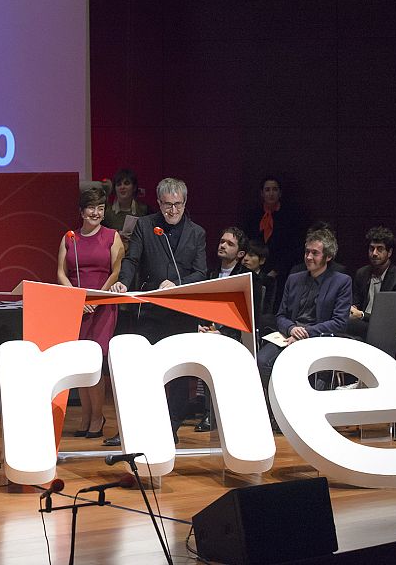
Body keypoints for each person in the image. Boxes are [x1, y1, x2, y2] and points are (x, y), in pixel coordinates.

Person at [109, 178, 207, 444]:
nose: (172, 211)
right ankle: (134, 428)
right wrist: (123, 282)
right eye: (167, 205)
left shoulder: (196, 233)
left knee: (176, 374)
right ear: (159, 203)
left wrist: (177, 284)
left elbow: (200, 272)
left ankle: (171, 427)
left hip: (180, 313)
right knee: (143, 372)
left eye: (177, 205)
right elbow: (132, 259)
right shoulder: (145, 225)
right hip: (150, 312)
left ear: (185, 203)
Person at [255, 228, 352, 427]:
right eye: (307, 251)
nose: (308, 256)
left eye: (315, 253)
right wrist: (291, 328)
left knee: (301, 370)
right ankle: (278, 410)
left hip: (318, 337)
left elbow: (340, 321)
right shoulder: (294, 278)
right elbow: (280, 315)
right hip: (290, 334)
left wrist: (306, 333)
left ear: (328, 256)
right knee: (263, 361)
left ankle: (295, 414)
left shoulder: (342, 281)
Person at [57, 187, 124, 438]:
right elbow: (61, 272)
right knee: (81, 363)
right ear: (81, 211)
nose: (96, 213)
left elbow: (115, 271)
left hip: (102, 305)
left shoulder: (112, 236)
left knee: (96, 361)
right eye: (91, 208)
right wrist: (76, 297)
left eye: (100, 208)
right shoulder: (70, 237)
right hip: (76, 306)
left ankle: (98, 417)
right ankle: (86, 416)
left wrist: (96, 298)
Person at [195, 227, 259, 431]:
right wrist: (201, 325)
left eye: (230, 243)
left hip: (234, 335)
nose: (222, 245)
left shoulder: (248, 278)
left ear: (240, 254)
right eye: (222, 241)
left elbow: (249, 316)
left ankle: (221, 412)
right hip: (209, 332)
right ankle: (208, 411)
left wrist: (223, 333)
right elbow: (202, 305)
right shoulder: (209, 273)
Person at [243, 176, 304, 306]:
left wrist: (277, 270)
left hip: (282, 270)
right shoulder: (253, 215)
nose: (271, 193)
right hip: (255, 267)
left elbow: (293, 247)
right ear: (262, 193)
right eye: (267, 190)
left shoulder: (290, 215)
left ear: (280, 193)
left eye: (275, 189)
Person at [347, 226, 396, 339]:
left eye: (380, 249)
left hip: (385, 327)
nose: (374, 253)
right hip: (360, 323)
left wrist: (361, 315)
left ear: (389, 252)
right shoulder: (361, 273)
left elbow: (391, 317)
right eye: (371, 248)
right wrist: (353, 309)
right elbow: (355, 301)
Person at [102, 168, 148, 250]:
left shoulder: (144, 210)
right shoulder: (106, 212)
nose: (122, 187)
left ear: (134, 187)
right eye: (118, 184)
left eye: (126, 183)